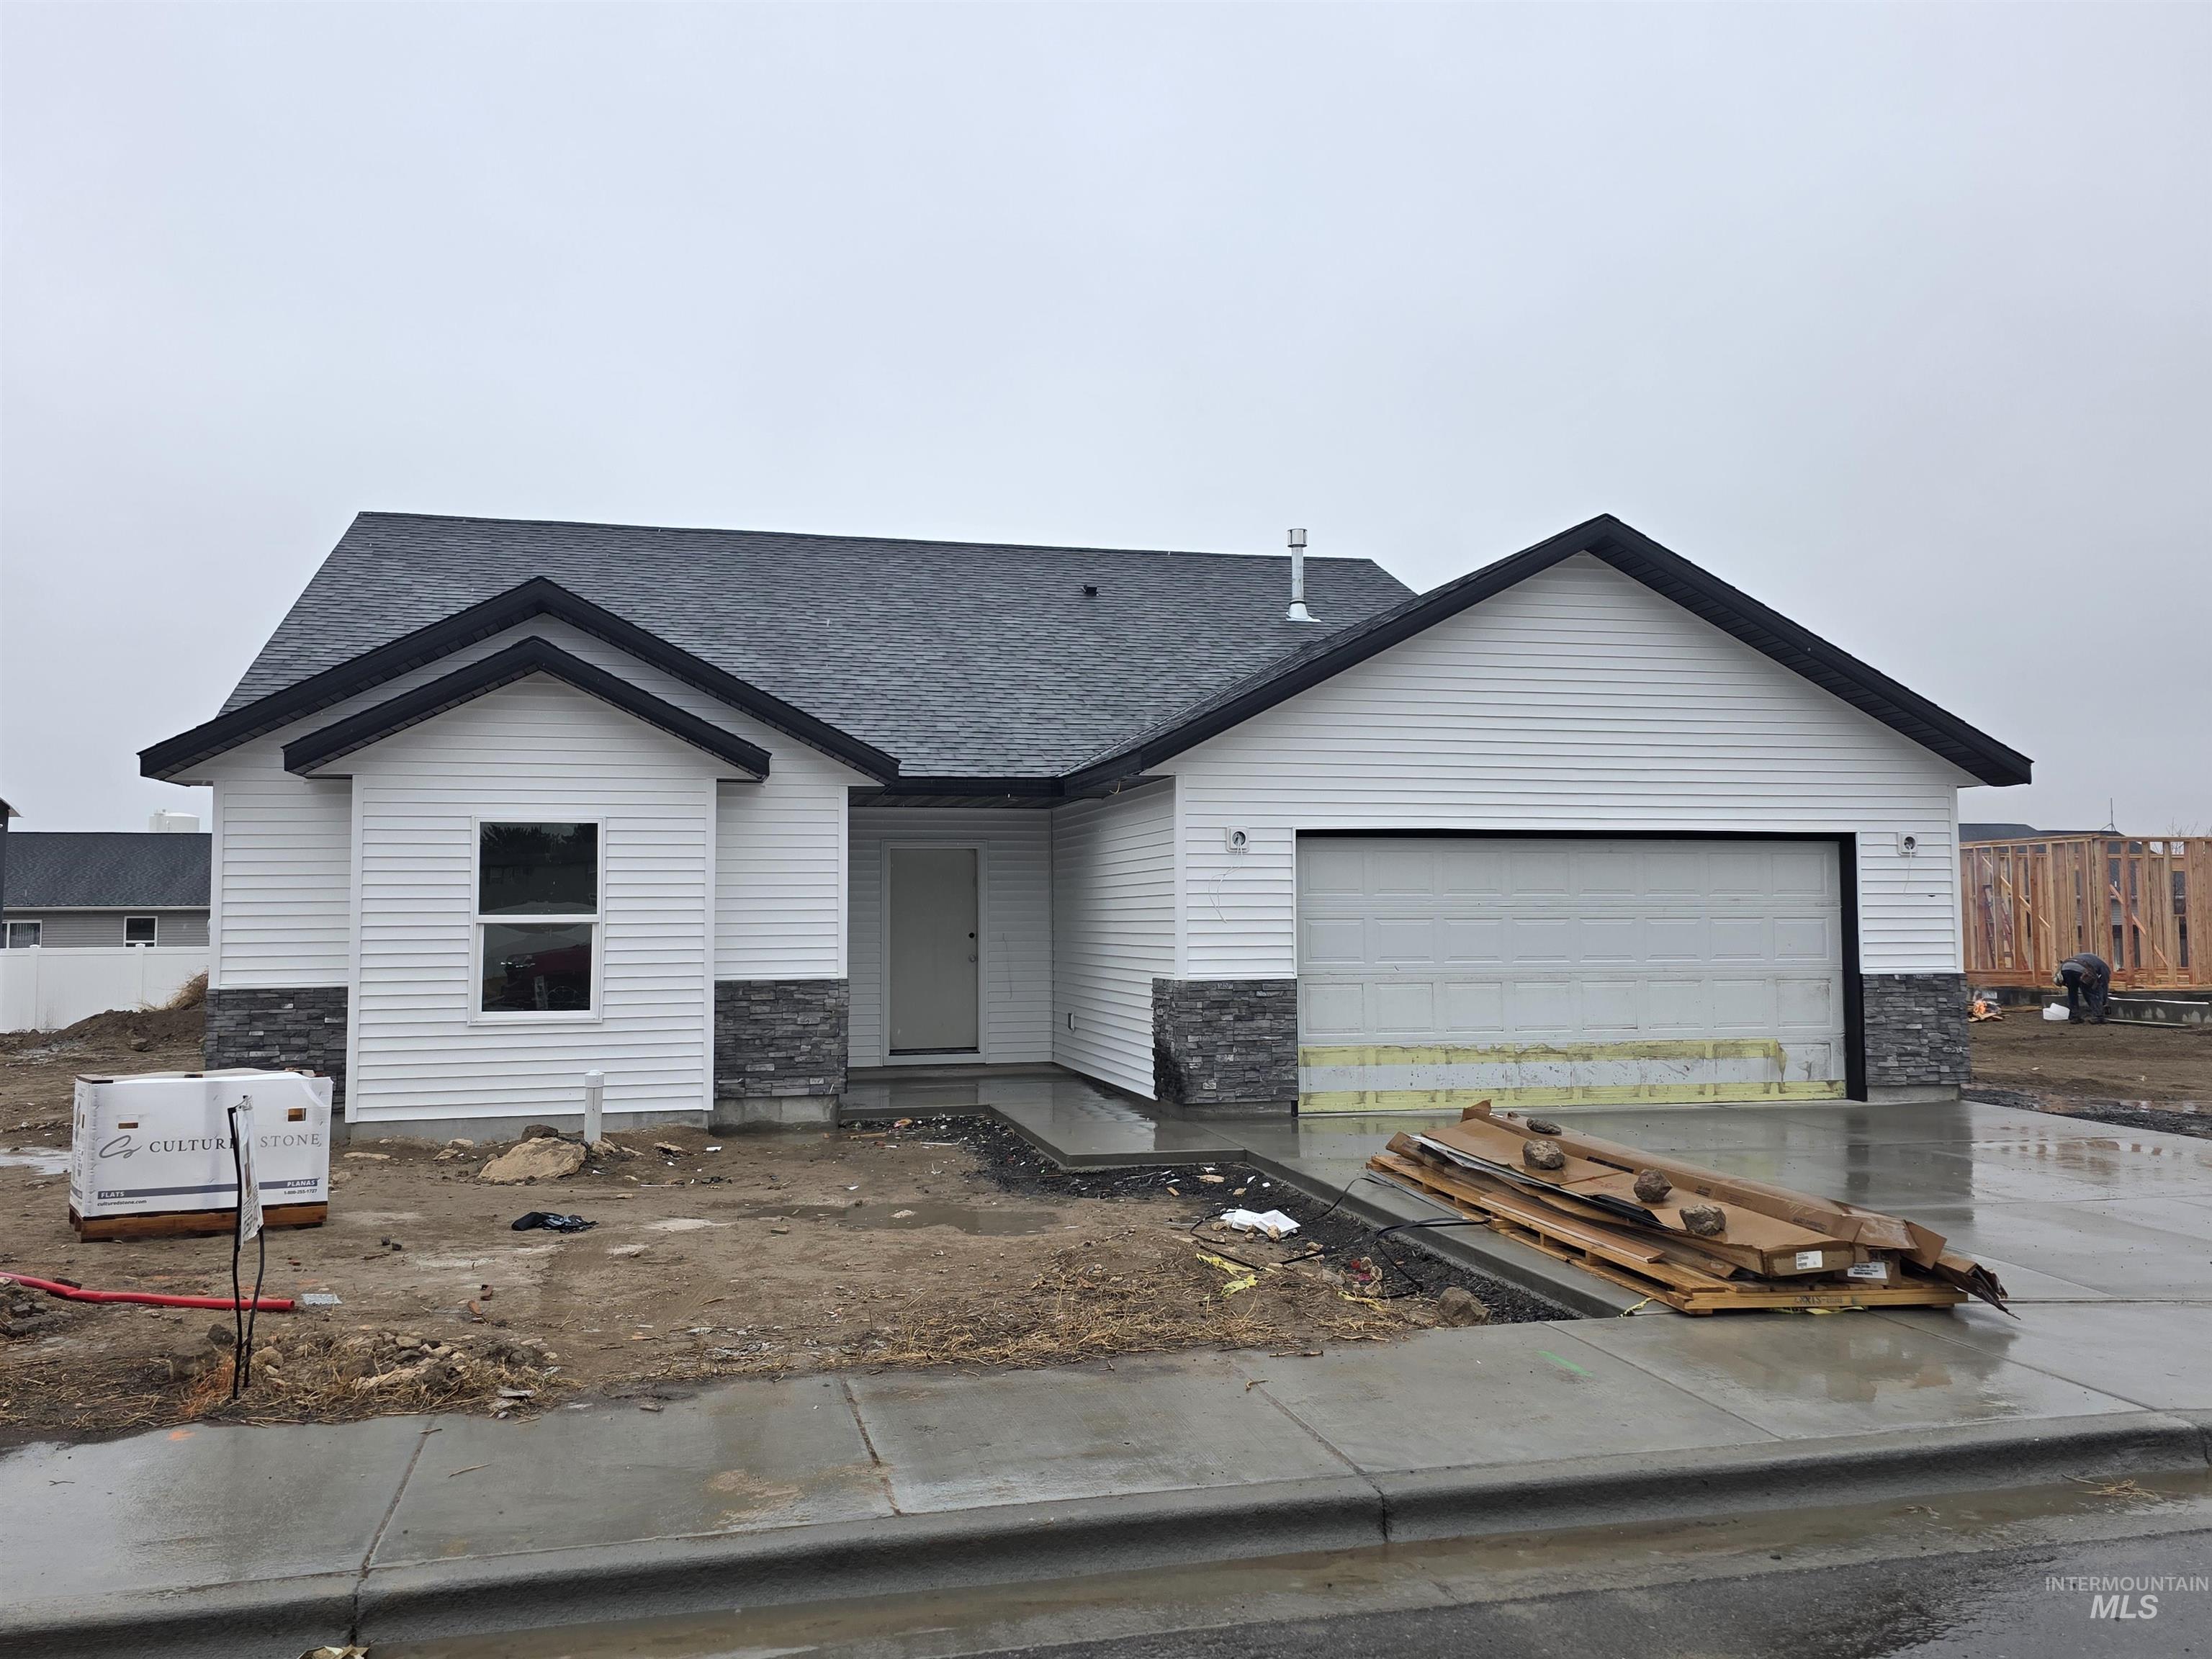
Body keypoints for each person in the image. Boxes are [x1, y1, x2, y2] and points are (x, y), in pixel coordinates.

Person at [2055, 952, 2111, 1023]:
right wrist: (2104, 1001)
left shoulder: (2090, 959)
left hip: (2065, 968)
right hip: (2081, 968)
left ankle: (2074, 1017)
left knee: (2072, 992)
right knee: (2094, 991)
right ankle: (2098, 1017)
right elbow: (2104, 985)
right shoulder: (2104, 968)